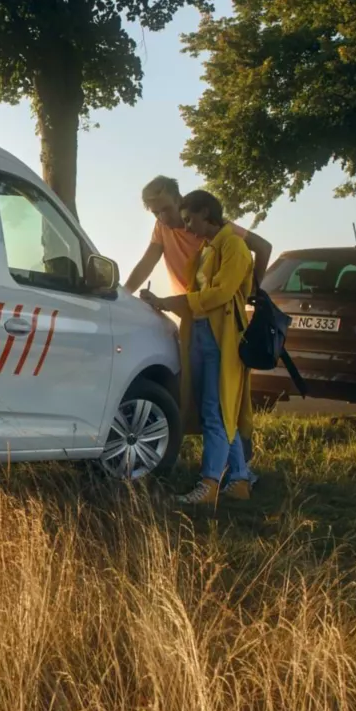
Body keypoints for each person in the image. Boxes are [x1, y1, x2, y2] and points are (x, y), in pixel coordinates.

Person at [141, 190, 254, 505]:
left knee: (215, 411)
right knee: (214, 412)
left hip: (222, 338)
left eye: (190, 219)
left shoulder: (234, 245)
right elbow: (197, 294)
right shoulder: (207, 249)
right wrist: (163, 303)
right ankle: (240, 479)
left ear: (207, 213)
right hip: (202, 334)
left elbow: (220, 294)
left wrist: (172, 301)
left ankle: (209, 484)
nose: (186, 227)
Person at [124, 175, 272, 296]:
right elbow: (146, 264)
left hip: (215, 312)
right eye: (156, 213)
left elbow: (263, 247)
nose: (163, 218)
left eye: (166, 209)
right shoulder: (161, 227)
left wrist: (253, 291)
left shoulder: (212, 226)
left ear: (179, 200)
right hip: (187, 310)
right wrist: (124, 294)